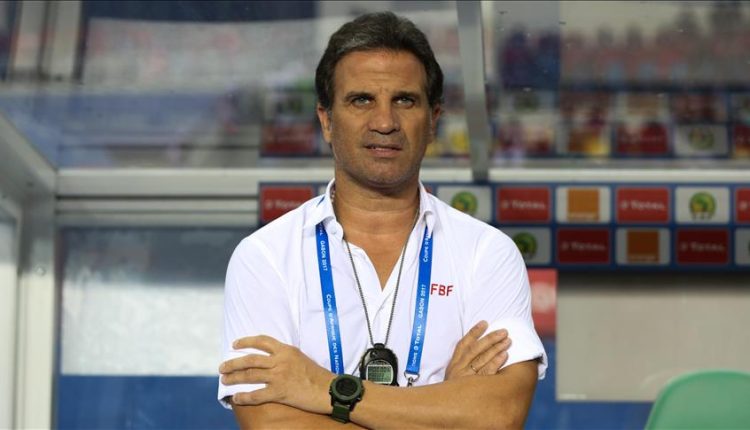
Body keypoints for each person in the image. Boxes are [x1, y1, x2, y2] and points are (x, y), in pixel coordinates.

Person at [218, 11, 546, 428]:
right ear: (326, 120)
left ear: (433, 120)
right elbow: (271, 423)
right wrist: (441, 406)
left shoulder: (487, 253)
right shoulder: (264, 257)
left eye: (405, 100)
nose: (385, 122)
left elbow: (498, 415)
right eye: (362, 100)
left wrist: (320, 387)